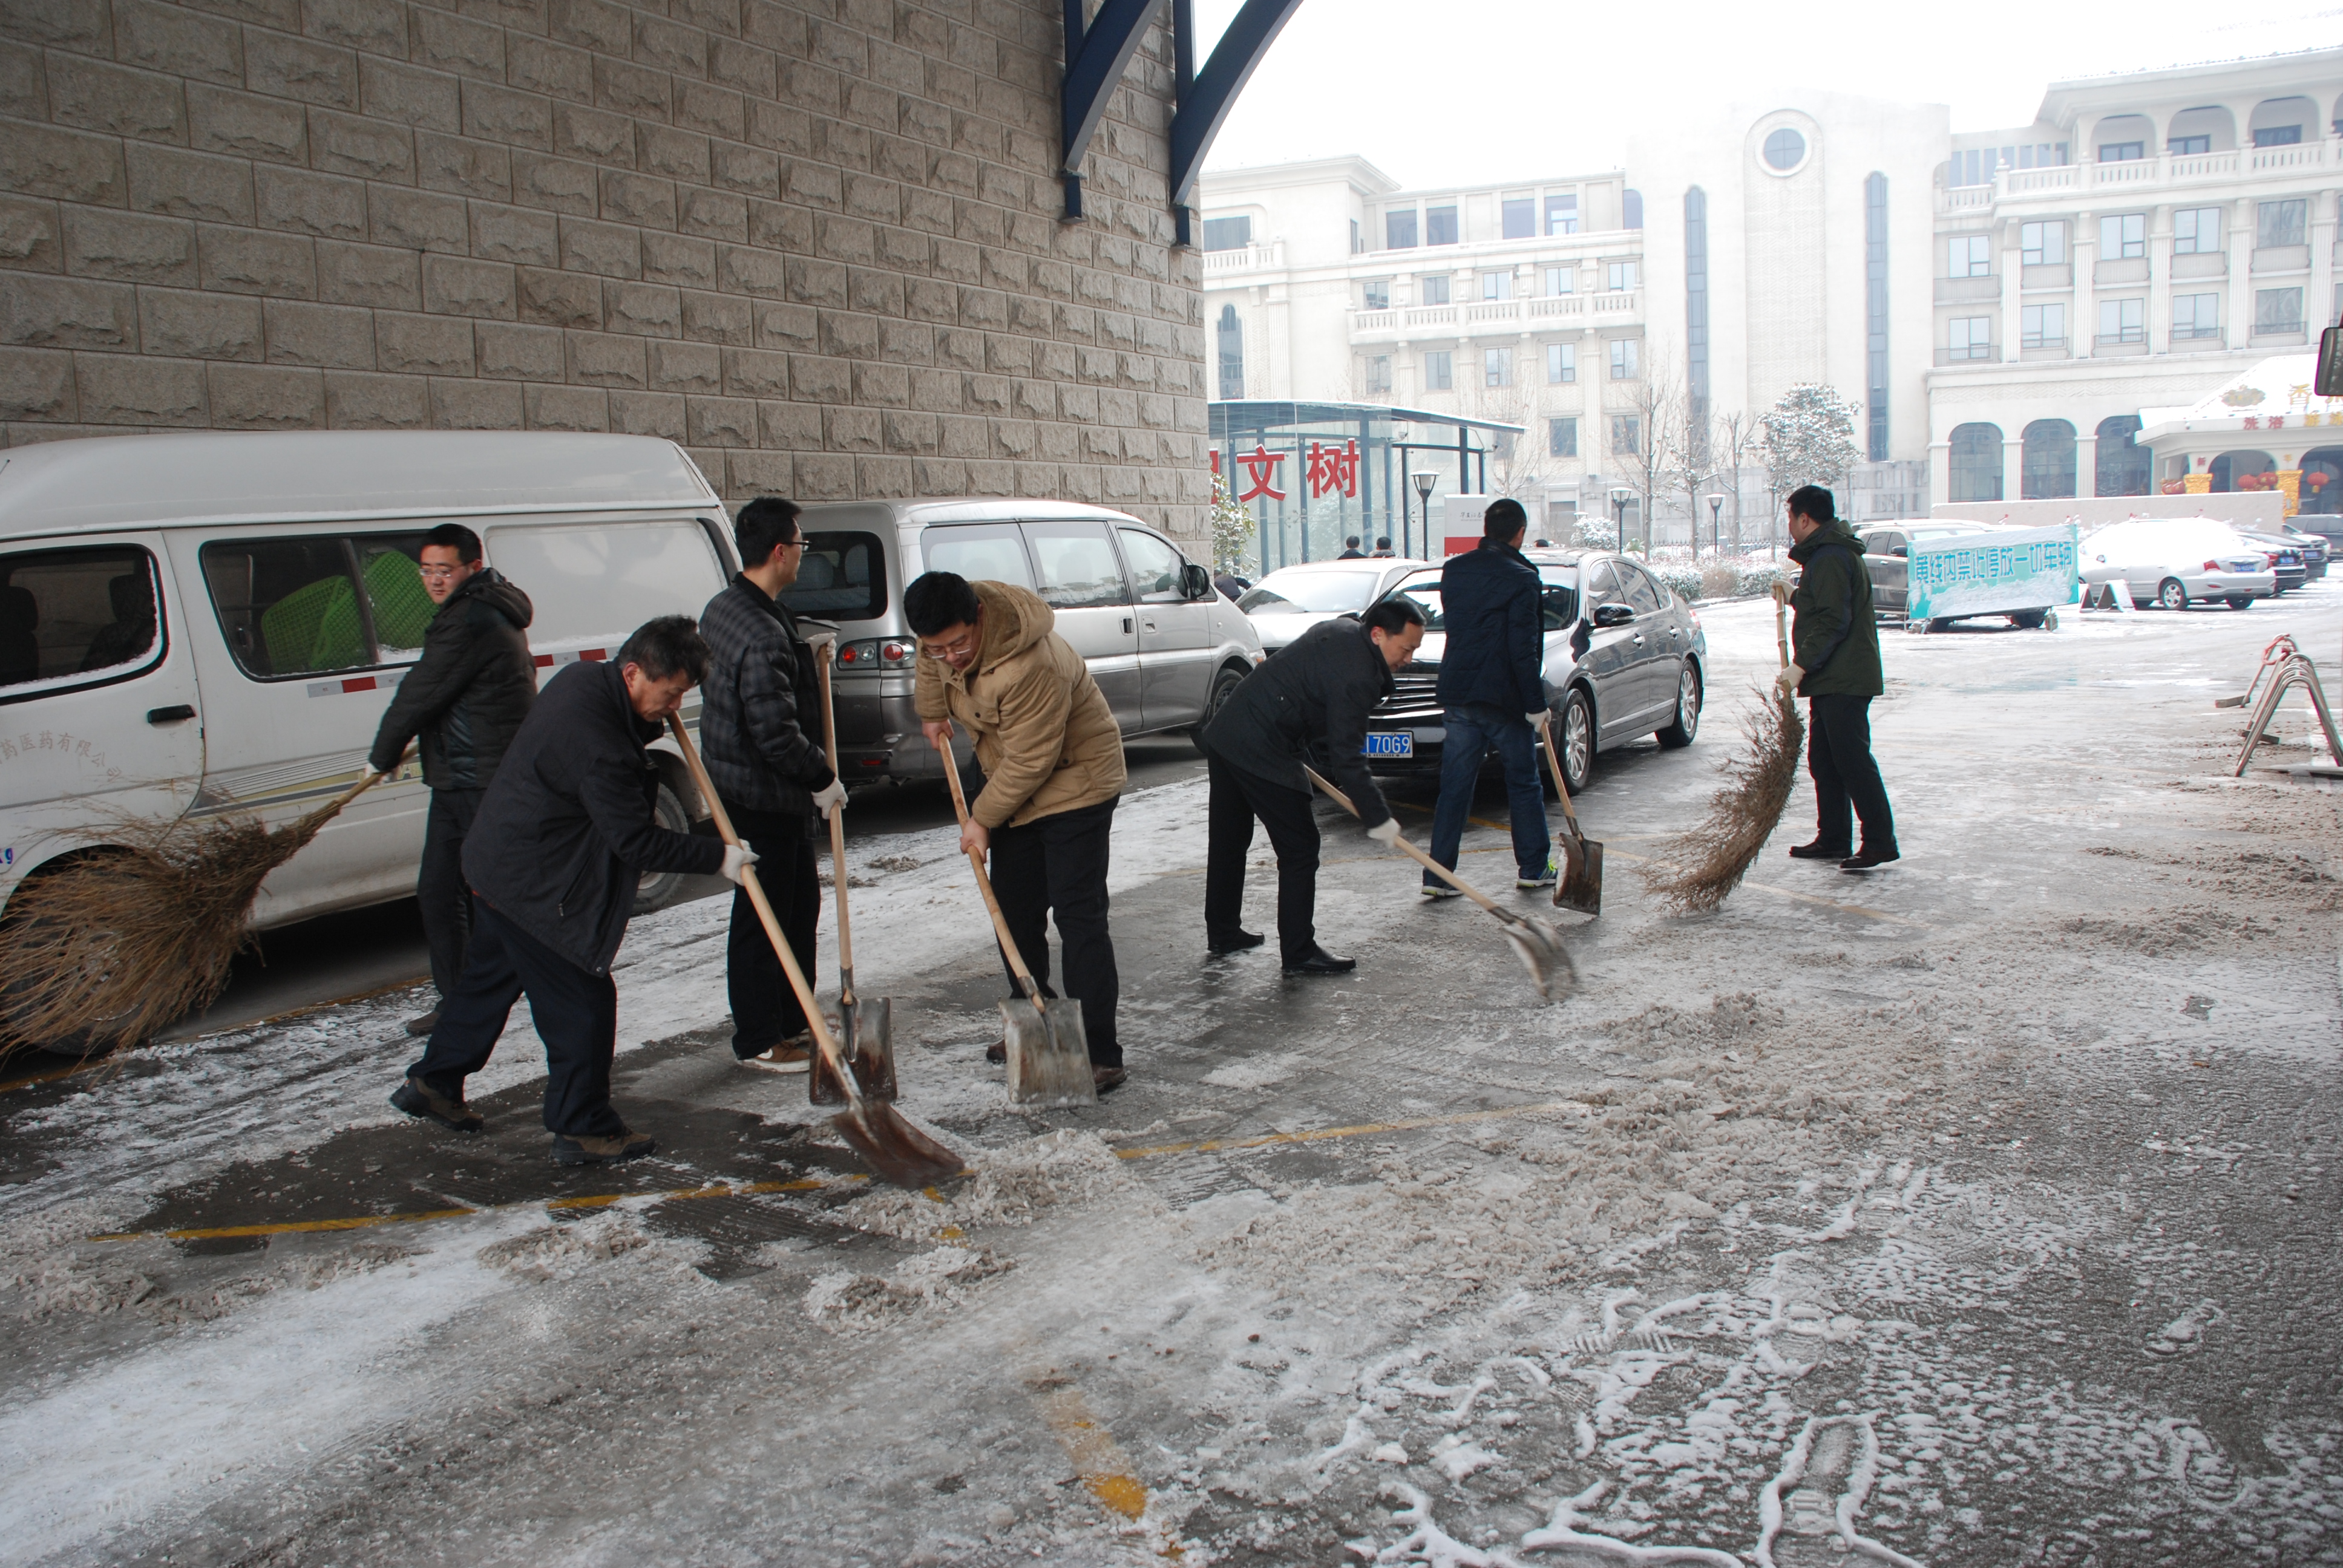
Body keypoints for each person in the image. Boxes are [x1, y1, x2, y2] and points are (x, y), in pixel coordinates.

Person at [390, 616, 753, 1165]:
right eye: (671, 693)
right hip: (534, 885)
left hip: (497, 863)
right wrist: (719, 857)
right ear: (633, 673)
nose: (676, 706)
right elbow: (636, 842)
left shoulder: (583, 679)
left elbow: (613, 746)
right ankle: (582, 1127)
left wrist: (648, 721)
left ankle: (433, 1083)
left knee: (487, 983)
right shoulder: (599, 744)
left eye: (683, 694)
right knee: (584, 1004)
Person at [908, 571, 1130, 1093]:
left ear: (980, 617)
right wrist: (932, 711)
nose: (950, 657)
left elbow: (1032, 760)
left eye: (959, 644)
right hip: (1012, 782)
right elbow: (928, 660)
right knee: (1014, 910)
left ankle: (1099, 1052)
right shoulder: (941, 637)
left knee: (1078, 916)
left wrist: (981, 820)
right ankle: (1034, 1019)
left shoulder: (1033, 664)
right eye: (938, 648)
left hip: (1077, 783)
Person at [365, 523, 536, 1037]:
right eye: (427, 571)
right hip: (464, 774)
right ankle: (464, 999)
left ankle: (482, 998)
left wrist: (381, 755)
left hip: (478, 778)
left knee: (472, 895)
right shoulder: (481, 609)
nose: (435, 581)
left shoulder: (471, 618)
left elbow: (421, 691)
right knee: (447, 893)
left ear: (472, 568)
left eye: (445, 570)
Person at [1200, 598, 1426, 975]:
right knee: (1300, 848)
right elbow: (1347, 757)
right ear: (1378, 634)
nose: (1409, 659)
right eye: (1405, 649)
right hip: (1260, 745)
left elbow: (1306, 688)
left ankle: (1223, 933)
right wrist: (1378, 818)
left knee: (1229, 841)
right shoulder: (1358, 676)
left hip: (1229, 729)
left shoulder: (1343, 629)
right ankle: (1299, 952)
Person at [700, 497, 848, 1069]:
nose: (804, 554)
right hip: (763, 794)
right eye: (802, 545)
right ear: (781, 552)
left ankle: (793, 1017)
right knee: (766, 919)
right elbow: (775, 733)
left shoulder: (729, 605)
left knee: (796, 907)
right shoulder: (761, 630)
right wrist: (822, 777)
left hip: (741, 785)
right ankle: (761, 1037)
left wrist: (806, 654)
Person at [1424, 497, 1553, 897]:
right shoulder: (1523, 578)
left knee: (1455, 785)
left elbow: (1463, 630)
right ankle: (1533, 867)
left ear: (1486, 529)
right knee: (1523, 781)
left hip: (1460, 694)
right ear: (1520, 533)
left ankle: (1438, 876)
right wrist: (1536, 704)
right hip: (1503, 699)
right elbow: (1522, 649)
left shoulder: (1454, 571)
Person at [1780, 485, 1897, 872]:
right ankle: (1833, 837)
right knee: (1825, 760)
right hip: (1832, 677)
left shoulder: (1831, 556)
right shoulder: (1828, 554)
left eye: (1790, 519)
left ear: (1804, 519)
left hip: (1844, 677)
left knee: (1852, 761)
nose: (1790, 527)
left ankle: (1879, 841)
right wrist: (1794, 595)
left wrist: (1801, 666)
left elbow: (1833, 620)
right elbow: (1823, 603)